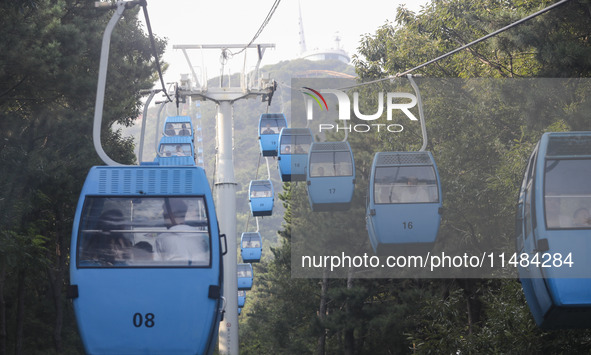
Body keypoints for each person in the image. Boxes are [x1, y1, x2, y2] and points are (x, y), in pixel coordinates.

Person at [156, 199, 209, 265]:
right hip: (202, 272)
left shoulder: (161, 238)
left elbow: (158, 264)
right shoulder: (201, 235)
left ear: (169, 216)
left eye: (164, 215)